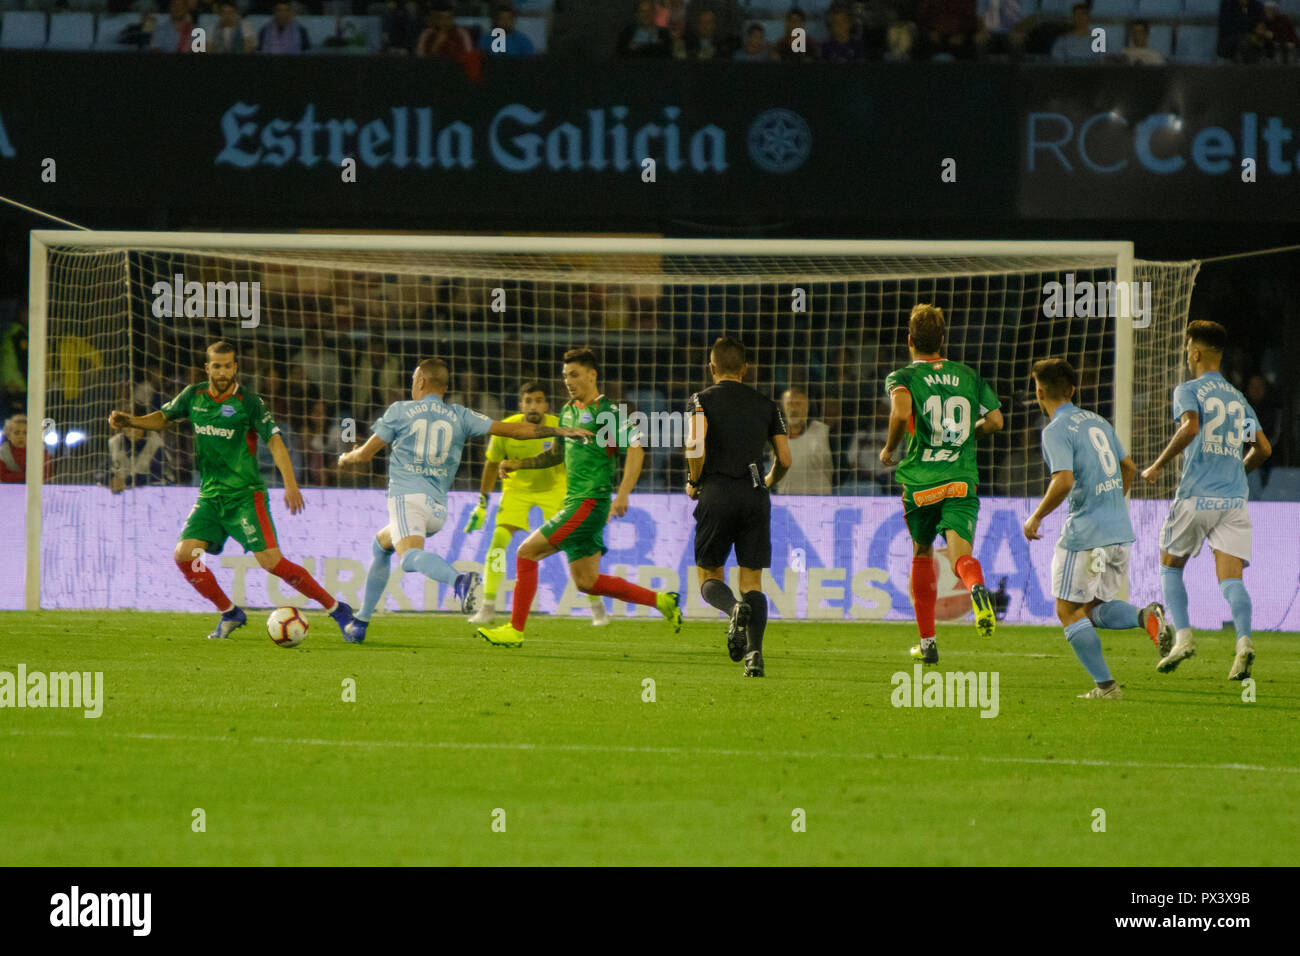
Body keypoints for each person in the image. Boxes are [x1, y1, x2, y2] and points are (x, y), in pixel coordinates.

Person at [107, 341, 356, 641]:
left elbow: (275, 441)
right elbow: (163, 417)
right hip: (210, 497)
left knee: (272, 563)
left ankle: (336, 608)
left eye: (228, 366)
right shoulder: (193, 396)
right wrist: (132, 421)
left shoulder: (248, 402)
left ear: (235, 367)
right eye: (217, 365)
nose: (222, 371)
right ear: (207, 367)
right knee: (186, 556)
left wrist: (290, 483)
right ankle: (229, 611)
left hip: (244, 497)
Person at [337, 360, 587, 642]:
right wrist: (562, 431)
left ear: (420, 381)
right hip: (437, 509)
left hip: (407, 500)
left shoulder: (400, 411)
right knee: (381, 545)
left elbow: (365, 455)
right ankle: (360, 622)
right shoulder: (460, 415)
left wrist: (347, 457)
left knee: (408, 559)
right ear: (444, 387)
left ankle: (460, 580)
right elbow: (515, 430)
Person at [477, 349, 684, 648]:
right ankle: (663, 601)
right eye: (565, 376)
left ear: (592, 374)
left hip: (589, 502)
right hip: (578, 502)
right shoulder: (568, 411)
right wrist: (518, 464)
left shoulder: (608, 412)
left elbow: (636, 448)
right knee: (587, 582)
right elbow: (555, 455)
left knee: (525, 553)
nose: (568, 381)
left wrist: (623, 494)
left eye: (574, 375)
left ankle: (515, 629)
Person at [1023, 358, 1173, 700]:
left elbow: (1063, 481)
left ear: (1040, 392)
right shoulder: (1098, 422)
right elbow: (1129, 468)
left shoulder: (1056, 430)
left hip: (1086, 535)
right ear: (1073, 390)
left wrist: (1036, 517)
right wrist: (1111, 505)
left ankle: (1106, 687)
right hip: (1119, 530)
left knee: (1067, 611)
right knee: (1092, 609)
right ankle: (1144, 616)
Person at [1141, 321, 1272, 680]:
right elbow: (1263, 448)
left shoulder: (1189, 389)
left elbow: (1191, 427)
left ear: (1196, 352)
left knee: (1170, 566)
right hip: (1233, 501)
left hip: (1197, 495)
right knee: (1232, 581)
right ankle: (1244, 642)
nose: (1187, 355)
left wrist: (1156, 465)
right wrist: (1237, 471)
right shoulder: (1237, 398)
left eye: (1187, 350)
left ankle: (1183, 637)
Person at [880, 304, 1004, 664]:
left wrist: (890, 449)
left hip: (921, 482)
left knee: (921, 553)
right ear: (943, 340)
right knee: (960, 556)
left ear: (909, 341)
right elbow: (996, 420)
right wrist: (968, 436)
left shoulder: (902, 376)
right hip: (961, 479)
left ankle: (929, 643)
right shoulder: (967, 374)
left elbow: (901, 413)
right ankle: (977, 588)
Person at [686, 337, 791, 677]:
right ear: (745, 369)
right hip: (754, 494)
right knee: (753, 582)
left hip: (716, 491)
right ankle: (754, 656)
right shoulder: (767, 404)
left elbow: (696, 448)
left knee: (708, 576)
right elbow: (785, 458)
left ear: (711, 367)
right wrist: (769, 479)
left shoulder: (700, 400)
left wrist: (694, 480)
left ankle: (732, 609)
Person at [465, 383, 609, 627]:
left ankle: (598, 608)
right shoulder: (509, 428)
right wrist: (482, 502)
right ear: (521, 404)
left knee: (575, 546)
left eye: (539, 400)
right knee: (498, 544)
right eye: (528, 400)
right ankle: (488, 607)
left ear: (546, 405)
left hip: (555, 489)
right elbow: (491, 465)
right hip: (517, 490)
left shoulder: (559, 426)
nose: (533, 405)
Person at [774, 387, 833, 494]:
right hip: (785, 503)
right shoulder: (774, 436)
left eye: (798, 404)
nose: (793, 409)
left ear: (807, 407)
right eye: (790, 404)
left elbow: (841, 466)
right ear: (783, 407)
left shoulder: (824, 432)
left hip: (818, 502)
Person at [109, 418, 173, 491]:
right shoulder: (114, 442)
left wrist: (127, 480)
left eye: (135, 426)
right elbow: (105, 470)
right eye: (127, 426)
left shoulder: (157, 444)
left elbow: (157, 477)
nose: (131, 430)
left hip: (155, 492)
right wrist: (110, 479)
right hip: (123, 492)